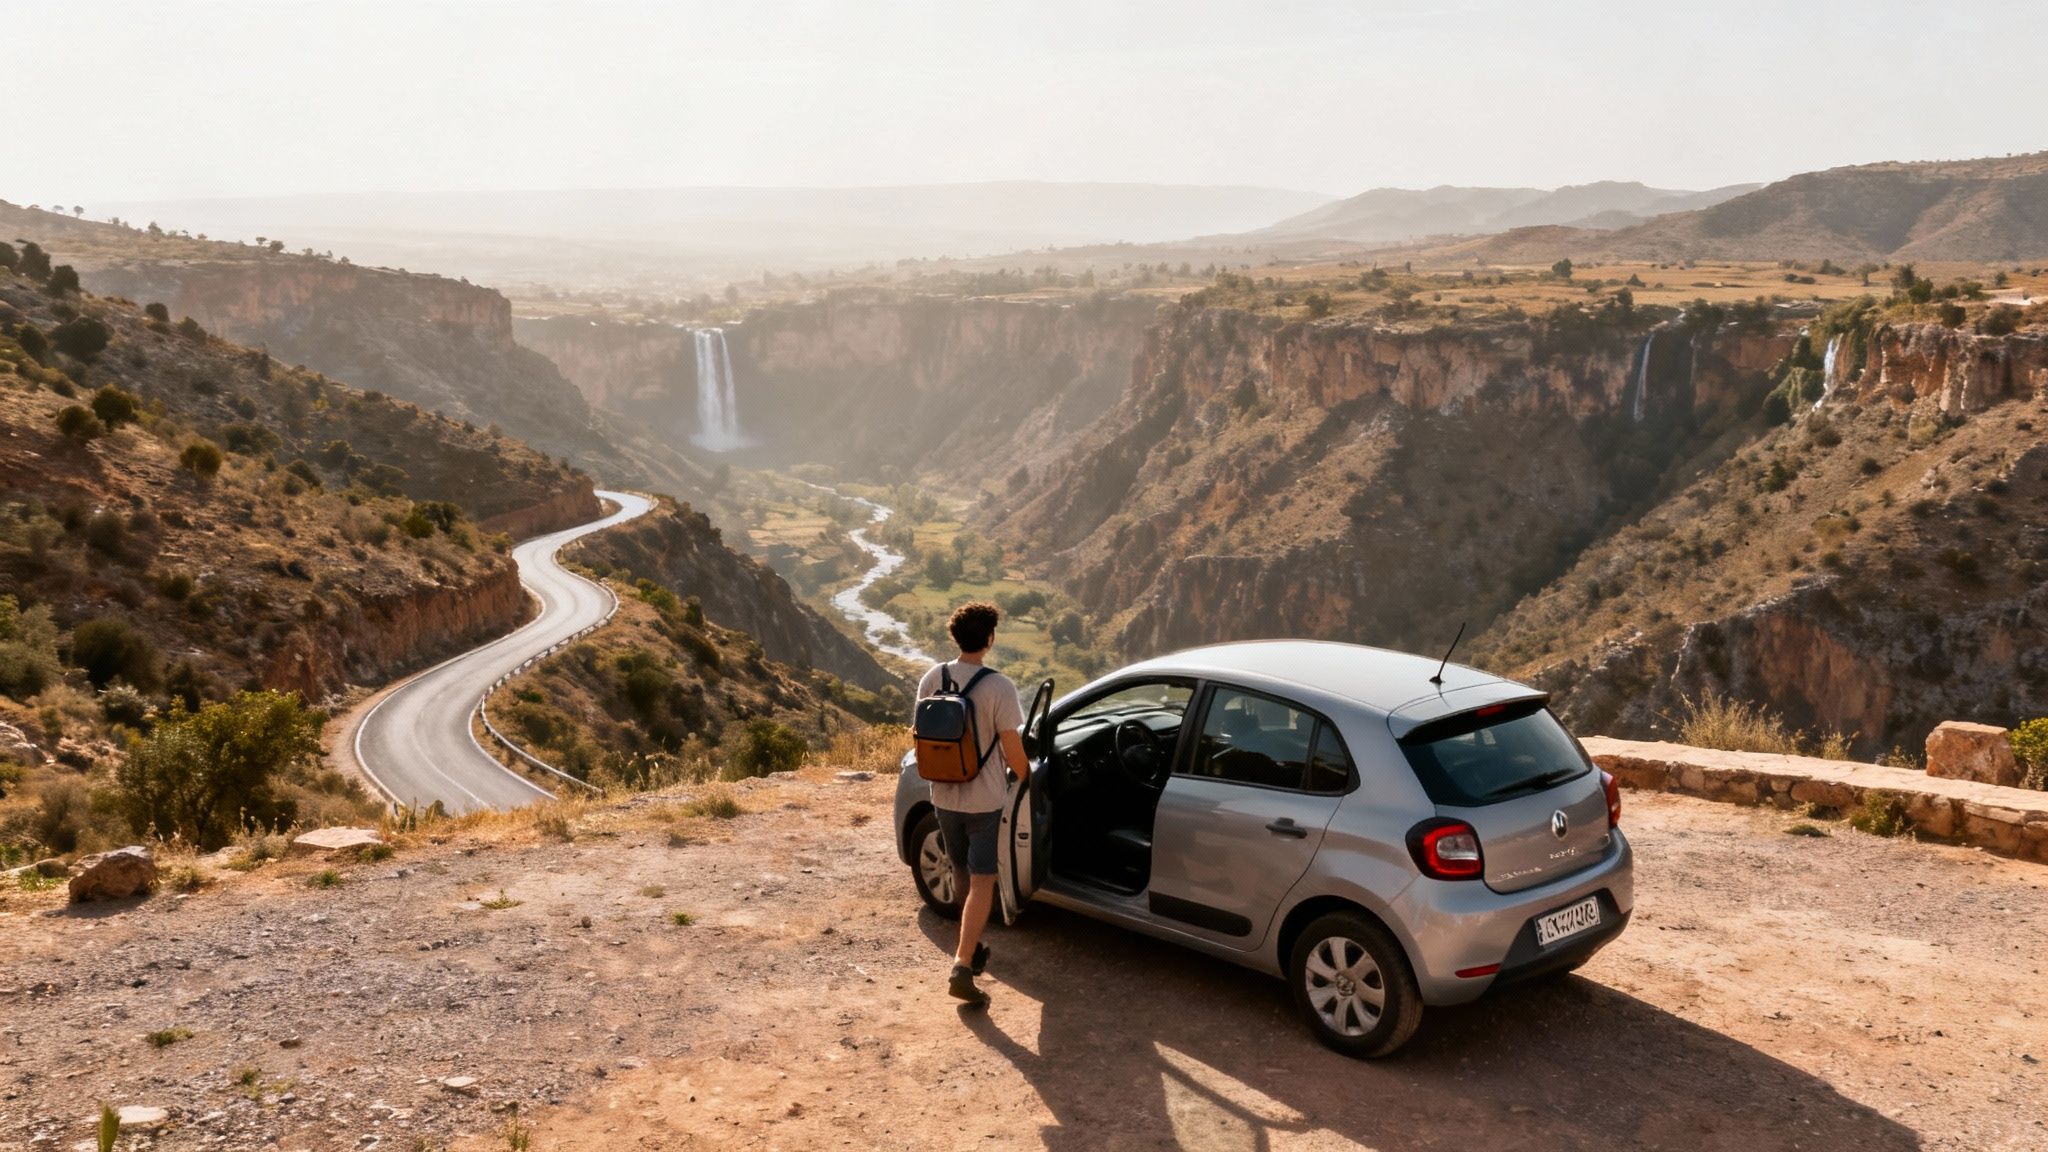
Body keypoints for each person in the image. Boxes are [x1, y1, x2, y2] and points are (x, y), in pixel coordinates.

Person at [916, 600, 1030, 1008]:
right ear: (990, 638)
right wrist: (1028, 774)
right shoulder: (999, 687)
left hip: (943, 795)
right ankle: (962, 965)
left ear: (956, 636)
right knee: (985, 881)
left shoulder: (933, 677)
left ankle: (972, 943)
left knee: (961, 869)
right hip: (984, 799)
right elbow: (1013, 750)